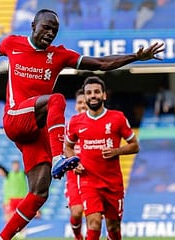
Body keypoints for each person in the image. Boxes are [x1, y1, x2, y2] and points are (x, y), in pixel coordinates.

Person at [0, 8, 163, 240]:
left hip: (35, 130)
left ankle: (1, 238)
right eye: (46, 28)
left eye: (55, 30)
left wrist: (135, 57)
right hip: (15, 118)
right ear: (33, 26)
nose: (50, 33)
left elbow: (100, 63)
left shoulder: (59, 55)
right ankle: (60, 157)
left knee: (39, 193)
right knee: (57, 100)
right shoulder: (13, 43)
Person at [65, 76, 140, 240]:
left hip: (113, 183)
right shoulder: (75, 122)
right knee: (94, 224)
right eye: (89, 93)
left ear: (104, 95)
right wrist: (73, 162)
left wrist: (117, 151)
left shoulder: (117, 118)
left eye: (97, 92)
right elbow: (68, 146)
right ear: (85, 97)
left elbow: (135, 145)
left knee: (113, 227)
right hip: (88, 181)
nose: (93, 95)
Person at [65, 88, 87, 240]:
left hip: (94, 175)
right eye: (80, 102)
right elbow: (64, 148)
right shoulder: (69, 125)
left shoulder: (98, 123)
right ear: (75, 105)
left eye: (85, 102)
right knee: (77, 212)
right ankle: (78, 236)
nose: (82, 105)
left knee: (95, 218)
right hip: (74, 177)